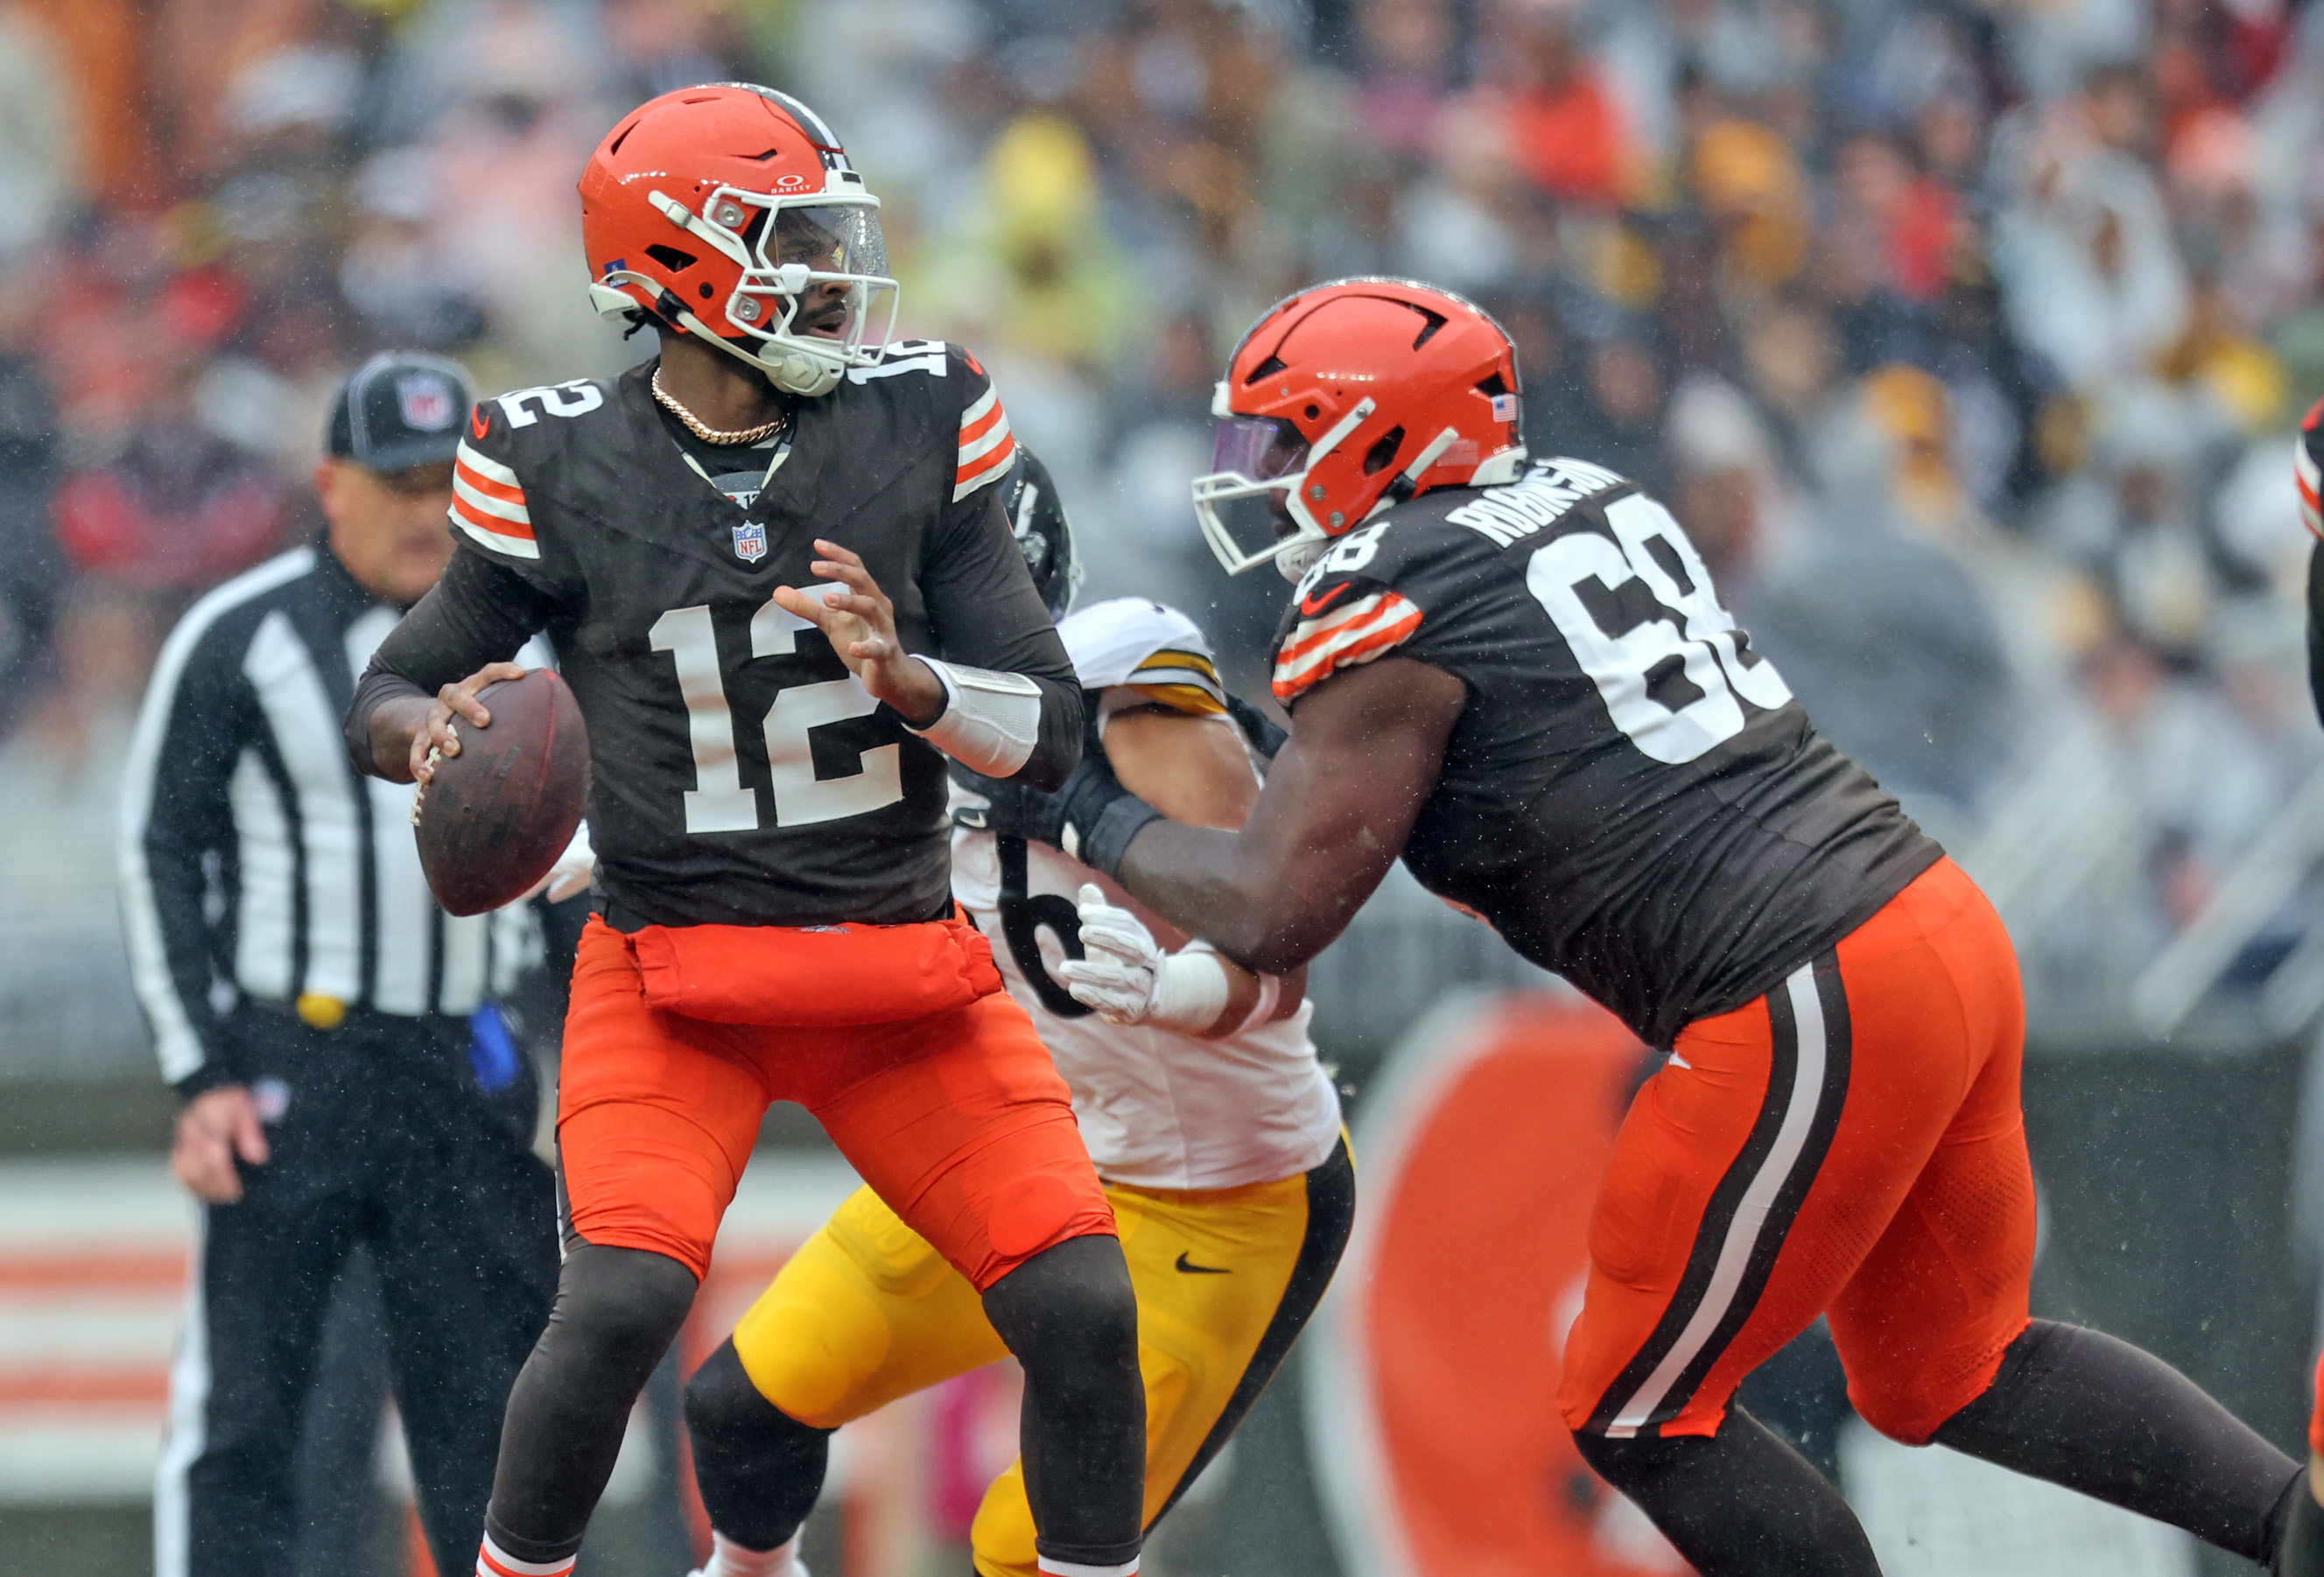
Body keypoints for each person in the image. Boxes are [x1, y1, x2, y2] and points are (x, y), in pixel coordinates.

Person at [985, 277, 2307, 1576]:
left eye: (1286, 439)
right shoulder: (1579, 504)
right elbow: (1441, 776)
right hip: (1930, 921)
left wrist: (1082, 798)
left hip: (1801, 982)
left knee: (1633, 1400)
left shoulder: (1394, 584)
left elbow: (1275, 907)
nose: (1261, 475)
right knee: (1952, 1367)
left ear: (1385, 436)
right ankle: (2298, 1529)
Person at [341, 86, 1146, 1577]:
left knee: (1086, 1309)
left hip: (901, 967)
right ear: (679, 273)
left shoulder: (926, 410)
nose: (837, 276)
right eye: (793, 243)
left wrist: (911, 681)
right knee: (622, 1308)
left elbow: (1048, 724)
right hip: (673, 974)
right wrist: (431, 734)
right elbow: (390, 687)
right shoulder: (547, 455)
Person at [681, 449, 1353, 1577]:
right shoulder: (850, 737)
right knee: (744, 1410)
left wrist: (1177, 989)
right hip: (1017, 1162)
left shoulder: (1128, 700)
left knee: (1024, 1551)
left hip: (1222, 1202)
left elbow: (1280, 948)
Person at [120, 351, 559, 1577]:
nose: (429, 510)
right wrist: (195, 1068)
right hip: (292, 1060)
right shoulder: (242, 632)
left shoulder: (538, 645)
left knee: (495, 1420)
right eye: (399, 480)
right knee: (251, 1411)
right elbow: (157, 844)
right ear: (331, 484)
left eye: (449, 480)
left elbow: (588, 873)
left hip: (468, 1061)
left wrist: (570, 1057)